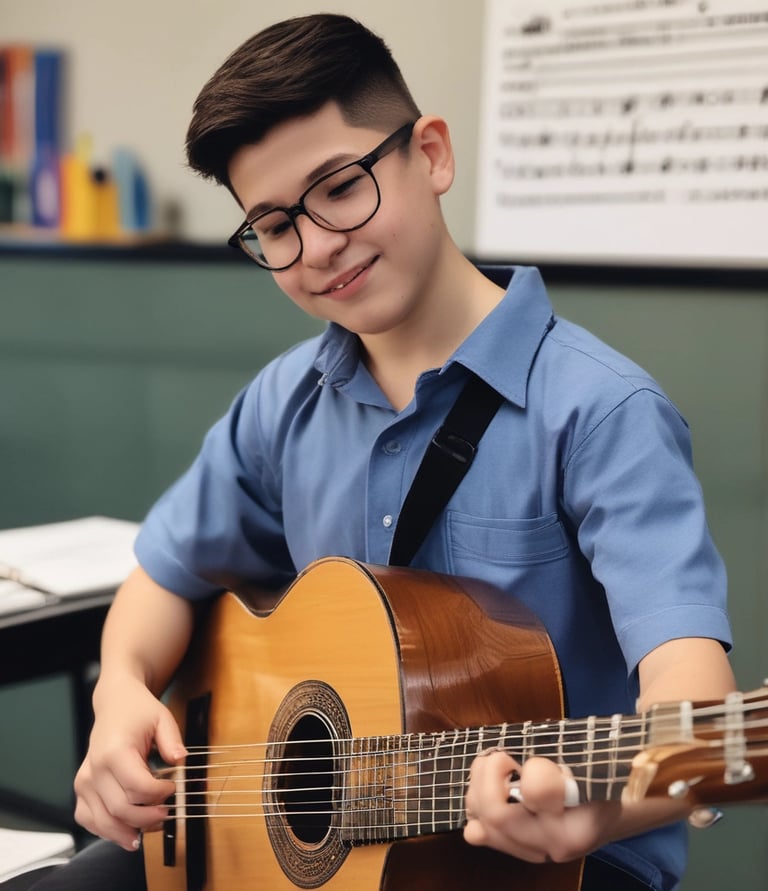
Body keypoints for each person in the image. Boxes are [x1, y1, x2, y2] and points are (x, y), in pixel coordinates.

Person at [14, 12, 736, 891]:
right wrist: (119, 690)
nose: (318, 245)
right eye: (274, 225)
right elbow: (163, 575)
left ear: (430, 155)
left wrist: (605, 808)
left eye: (340, 187)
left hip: (560, 863)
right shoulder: (284, 401)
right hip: (289, 848)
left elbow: (695, 701)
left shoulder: (602, 409)